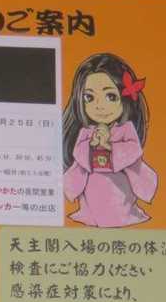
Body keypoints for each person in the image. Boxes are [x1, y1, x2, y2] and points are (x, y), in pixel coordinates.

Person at [62, 52, 157, 228]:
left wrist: (109, 147)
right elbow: (79, 152)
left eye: (110, 97)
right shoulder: (86, 133)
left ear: (125, 99)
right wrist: (92, 146)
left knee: (119, 213)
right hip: (91, 197)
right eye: (89, 97)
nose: (99, 106)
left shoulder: (126, 130)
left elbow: (133, 150)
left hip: (120, 193)